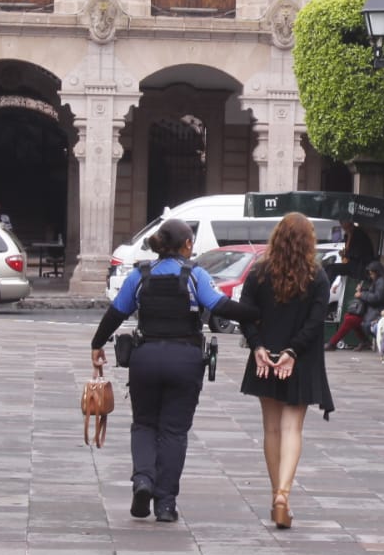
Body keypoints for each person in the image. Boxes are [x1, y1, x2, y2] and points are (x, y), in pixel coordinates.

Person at [90, 218, 258, 523]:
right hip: (185, 359)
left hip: (145, 357)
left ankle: (143, 480)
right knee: (174, 431)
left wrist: (96, 344)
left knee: (143, 425)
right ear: (188, 245)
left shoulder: (140, 275)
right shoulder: (195, 275)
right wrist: (258, 313)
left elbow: (115, 313)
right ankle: (165, 504)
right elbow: (221, 307)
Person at [237, 212, 335, 529]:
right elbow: (316, 320)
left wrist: (258, 347)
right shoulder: (317, 276)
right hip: (301, 359)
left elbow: (246, 314)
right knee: (293, 428)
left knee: (271, 430)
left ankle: (273, 493)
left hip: (265, 359)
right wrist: (293, 351)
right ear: (309, 241)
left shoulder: (259, 273)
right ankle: (284, 493)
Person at [326, 260, 384, 351]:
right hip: (371, 310)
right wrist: (363, 290)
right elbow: (373, 292)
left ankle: (333, 343)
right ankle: (365, 341)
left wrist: (362, 295)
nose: (371, 276)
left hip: (376, 312)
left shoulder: (382, 282)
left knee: (350, 319)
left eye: (372, 274)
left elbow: (377, 298)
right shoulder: (378, 281)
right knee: (350, 317)